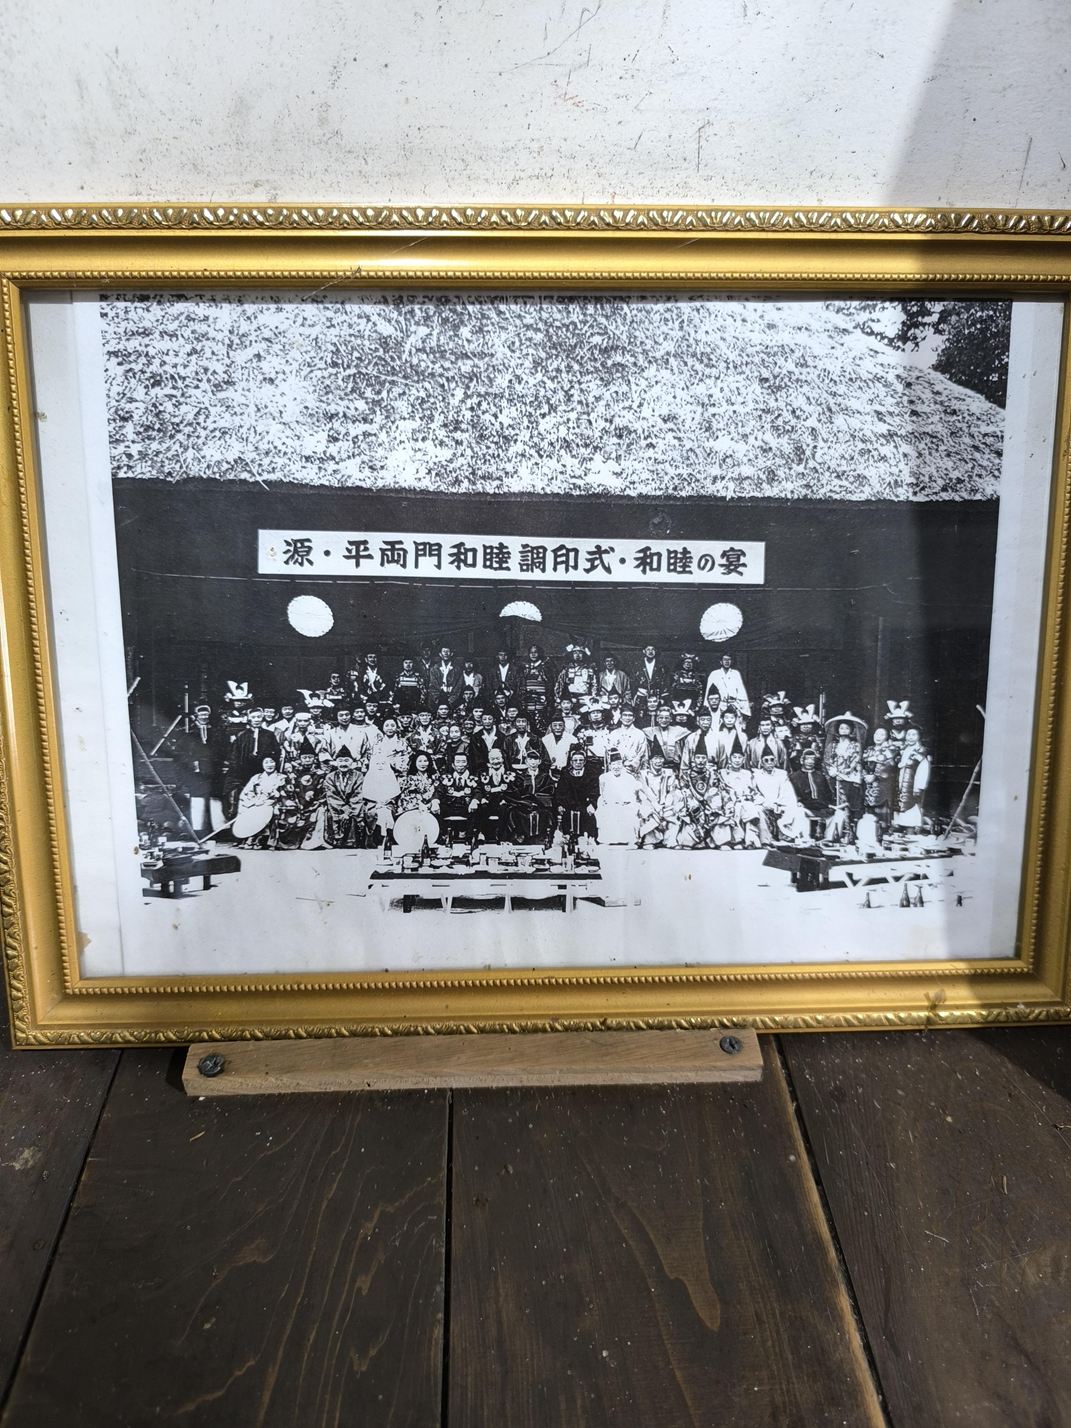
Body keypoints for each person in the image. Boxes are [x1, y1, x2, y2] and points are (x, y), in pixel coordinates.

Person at [171, 702, 227, 834]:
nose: (204, 717)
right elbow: (181, 752)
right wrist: (191, 763)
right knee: (198, 798)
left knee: (215, 797)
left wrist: (221, 763)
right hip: (196, 770)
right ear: (196, 716)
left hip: (213, 769)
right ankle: (198, 829)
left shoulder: (216, 731)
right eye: (201, 714)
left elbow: (222, 749)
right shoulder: (189, 732)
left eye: (206, 714)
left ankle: (220, 829)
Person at [223, 708, 280, 818]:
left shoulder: (269, 735)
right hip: (245, 771)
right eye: (253, 717)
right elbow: (235, 755)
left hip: (262, 770)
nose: (256, 720)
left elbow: (276, 754)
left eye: (259, 717)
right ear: (249, 719)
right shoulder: (242, 735)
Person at [823, 713, 867, 841]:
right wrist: (833, 771)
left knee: (850, 803)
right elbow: (827, 759)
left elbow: (856, 759)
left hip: (849, 777)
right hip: (834, 776)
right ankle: (835, 832)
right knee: (836, 802)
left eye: (847, 728)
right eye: (841, 728)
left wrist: (846, 771)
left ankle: (849, 832)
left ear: (851, 730)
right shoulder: (833, 745)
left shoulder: (855, 745)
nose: (844, 730)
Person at [362, 716, 408, 839]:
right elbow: (370, 761)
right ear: (382, 727)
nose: (390, 728)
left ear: (397, 727)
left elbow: (404, 764)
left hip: (397, 778)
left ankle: (395, 834)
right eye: (387, 725)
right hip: (378, 777)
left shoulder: (402, 743)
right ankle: (378, 835)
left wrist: (390, 763)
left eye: (393, 725)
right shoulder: (377, 744)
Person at [323, 746, 374, 848]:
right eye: (340, 761)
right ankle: (335, 840)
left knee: (360, 814)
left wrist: (349, 811)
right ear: (336, 762)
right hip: (337, 807)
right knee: (329, 815)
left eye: (347, 760)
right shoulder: (330, 777)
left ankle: (354, 841)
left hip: (354, 807)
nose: (343, 764)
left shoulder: (358, 775)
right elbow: (331, 796)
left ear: (352, 762)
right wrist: (344, 809)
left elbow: (358, 794)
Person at [752, 751, 809, 842]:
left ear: (775, 761)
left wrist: (779, 804)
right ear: (761, 762)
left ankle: (790, 837)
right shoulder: (756, 776)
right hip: (764, 804)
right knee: (757, 810)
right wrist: (767, 804)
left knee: (798, 810)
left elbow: (788, 792)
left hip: (780, 804)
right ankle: (766, 840)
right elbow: (755, 793)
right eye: (766, 760)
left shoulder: (782, 774)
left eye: (772, 760)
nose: (769, 763)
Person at [595, 752, 649, 846]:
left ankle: (629, 839)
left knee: (628, 812)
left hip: (625, 805)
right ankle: (608, 839)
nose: (616, 767)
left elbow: (633, 795)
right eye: (613, 764)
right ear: (610, 765)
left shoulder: (629, 777)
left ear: (622, 765)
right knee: (607, 811)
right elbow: (602, 794)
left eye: (619, 764)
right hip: (610, 805)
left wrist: (626, 802)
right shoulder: (603, 777)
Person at [677, 753, 729, 849]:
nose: (700, 760)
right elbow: (684, 791)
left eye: (703, 758)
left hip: (709, 806)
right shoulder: (686, 775)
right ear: (693, 759)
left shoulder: (713, 774)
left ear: (707, 759)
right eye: (698, 757)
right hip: (693, 808)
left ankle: (718, 840)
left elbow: (716, 791)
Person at [235, 754, 286, 848]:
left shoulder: (282, 778)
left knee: (266, 809)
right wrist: (254, 801)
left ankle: (261, 838)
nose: (269, 765)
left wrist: (270, 800)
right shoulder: (257, 777)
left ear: (276, 763)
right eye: (266, 762)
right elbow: (247, 792)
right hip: (257, 802)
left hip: (273, 803)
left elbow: (284, 794)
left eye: (272, 762)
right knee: (247, 807)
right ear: (262, 764)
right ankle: (251, 836)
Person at [506, 749, 555, 843]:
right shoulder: (520, 776)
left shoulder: (545, 776)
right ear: (526, 761)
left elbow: (549, 791)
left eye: (535, 759)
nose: (533, 762)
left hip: (540, 805)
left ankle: (541, 838)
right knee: (514, 812)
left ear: (539, 761)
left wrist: (537, 799)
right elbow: (516, 792)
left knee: (547, 814)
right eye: (530, 759)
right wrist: (526, 801)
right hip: (524, 805)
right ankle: (521, 836)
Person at [718, 751, 764, 849]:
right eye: (734, 757)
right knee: (739, 807)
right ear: (730, 759)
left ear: (743, 760)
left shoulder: (747, 774)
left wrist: (750, 798)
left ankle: (750, 839)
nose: (737, 760)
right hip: (729, 801)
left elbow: (754, 791)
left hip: (746, 801)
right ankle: (737, 840)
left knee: (749, 806)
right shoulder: (723, 773)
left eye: (740, 758)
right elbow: (721, 790)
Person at [554, 750, 600, 847]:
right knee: (566, 818)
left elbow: (594, 792)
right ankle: (568, 841)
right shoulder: (565, 775)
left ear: (584, 762)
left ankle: (588, 841)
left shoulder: (591, 775)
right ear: (571, 762)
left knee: (589, 818)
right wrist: (560, 805)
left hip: (585, 806)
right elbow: (560, 792)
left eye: (581, 760)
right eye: (575, 760)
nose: (578, 762)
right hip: (569, 806)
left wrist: (592, 804)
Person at [638, 751, 683, 848]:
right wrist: (655, 806)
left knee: (675, 811)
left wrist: (665, 806)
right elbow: (645, 792)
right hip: (651, 806)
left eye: (660, 758)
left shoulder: (668, 773)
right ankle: (649, 841)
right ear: (650, 760)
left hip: (665, 807)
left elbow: (672, 791)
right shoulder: (643, 774)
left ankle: (670, 840)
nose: (658, 761)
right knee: (646, 811)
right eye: (655, 758)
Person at [791, 749, 837, 839]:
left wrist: (830, 804)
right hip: (805, 808)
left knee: (839, 813)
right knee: (799, 812)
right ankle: (804, 839)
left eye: (812, 759)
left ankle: (829, 839)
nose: (810, 762)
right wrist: (798, 802)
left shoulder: (820, 776)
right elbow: (791, 794)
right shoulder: (794, 777)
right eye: (807, 759)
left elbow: (828, 793)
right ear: (802, 760)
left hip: (822, 808)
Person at [862, 728, 899, 840]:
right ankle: (869, 837)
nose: (878, 736)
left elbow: (888, 766)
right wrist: (865, 775)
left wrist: (875, 776)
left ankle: (882, 836)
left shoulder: (891, 749)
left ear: (887, 737)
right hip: (868, 784)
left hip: (883, 784)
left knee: (882, 810)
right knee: (869, 812)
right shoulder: (869, 749)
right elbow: (862, 764)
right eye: (876, 733)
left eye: (882, 734)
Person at [437, 752, 481, 845]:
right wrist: (435, 802)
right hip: (450, 806)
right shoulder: (446, 778)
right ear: (453, 765)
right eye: (458, 762)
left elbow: (478, 791)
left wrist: (474, 801)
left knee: (478, 809)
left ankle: (470, 838)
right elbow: (438, 791)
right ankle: (442, 836)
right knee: (437, 808)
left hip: (466, 807)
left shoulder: (473, 778)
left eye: (463, 762)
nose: (460, 765)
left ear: (467, 764)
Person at [893, 728, 931, 830]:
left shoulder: (921, 751)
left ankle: (911, 831)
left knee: (911, 806)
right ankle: (900, 829)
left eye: (914, 735)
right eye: (909, 735)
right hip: (901, 782)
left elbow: (923, 769)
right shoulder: (903, 750)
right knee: (900, 805)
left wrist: (919, 786)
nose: (910, 737)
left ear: (919, 737)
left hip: (913, 784)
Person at [477, 749, 514, 842]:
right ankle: (483, 835)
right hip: (489, 802)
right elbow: (479, 788)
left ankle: (502, 837)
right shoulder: (483, 773)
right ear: (489, 760)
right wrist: (482, 798)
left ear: (503, 759)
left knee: (506, 808)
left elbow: (513, 789)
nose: (495, 761)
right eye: (492, 759)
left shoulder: (510, 773)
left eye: (498, 758)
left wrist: (506, 798)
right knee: (482, 807)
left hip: (504, 801)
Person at [705, 653, 751, 721]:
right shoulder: (714, 674)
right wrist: (706, 707)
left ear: (731, 661)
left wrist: (744, 708)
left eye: (729, 660)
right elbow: (708, 693)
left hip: (733, 705)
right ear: (721, 661)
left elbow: (741, 692)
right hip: (719, 705)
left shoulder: (736, 674)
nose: (727, 662)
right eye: (725, 660)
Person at [680, 709, 720, 776]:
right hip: (693, 773)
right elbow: (685, 761)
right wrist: (684, 776)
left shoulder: (717, 738)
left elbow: (722, 761)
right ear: (698, 721)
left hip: (712, 773)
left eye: (708, 720)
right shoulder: (691, 738)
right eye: (703, 720)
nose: (705, 722)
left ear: (711, 721)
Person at [607, 704, 648, 770]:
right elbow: (609, 755)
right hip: (617, 770)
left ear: (634, 718)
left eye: (630, 715)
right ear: (620, 718)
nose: (627, 718)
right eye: (625, 715)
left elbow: (644, 756)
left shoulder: (640, 734)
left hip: (635, 770)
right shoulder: (613, 734)